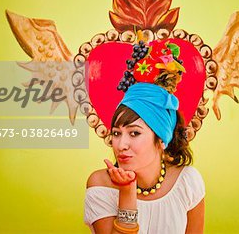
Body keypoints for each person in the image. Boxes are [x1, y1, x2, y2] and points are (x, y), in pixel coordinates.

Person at [84, 81, 206, 234]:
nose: (121, 145)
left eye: (134, 133)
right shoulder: (101, 185)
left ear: (161, 139)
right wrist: (127, 192)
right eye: (116, 133)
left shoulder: (188, 182)